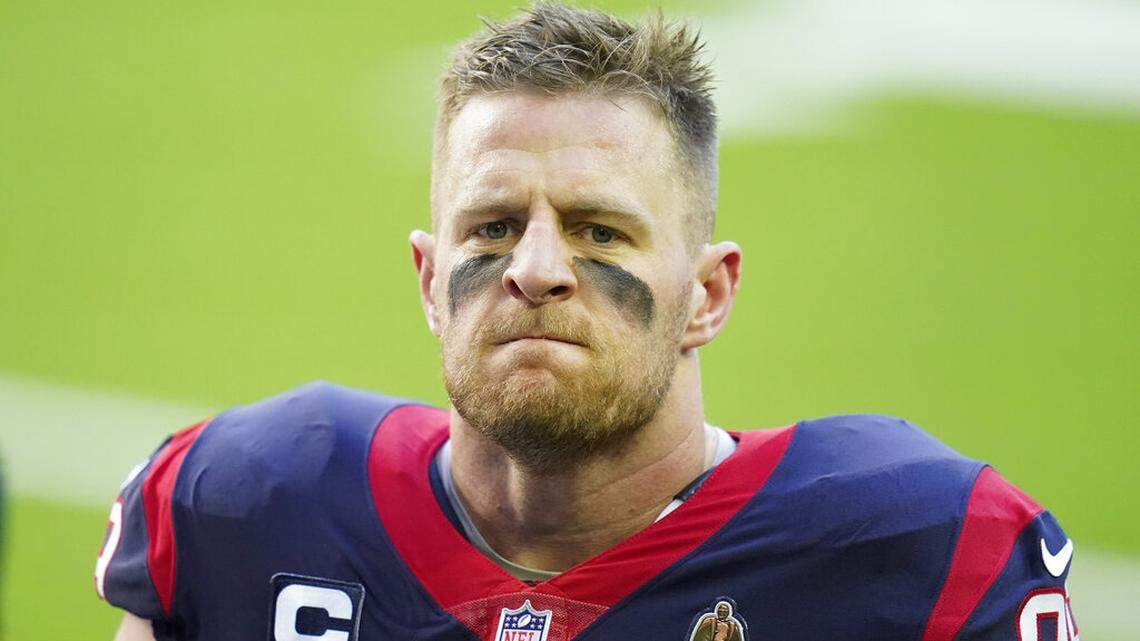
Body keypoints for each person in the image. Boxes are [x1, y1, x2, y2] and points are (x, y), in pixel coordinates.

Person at [96, 4, 1078, 640]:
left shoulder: (920, 551)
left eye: (599, 231)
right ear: (429, 280)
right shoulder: (249, 504)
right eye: (492, 225)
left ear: (708, 293)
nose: (533, 269)